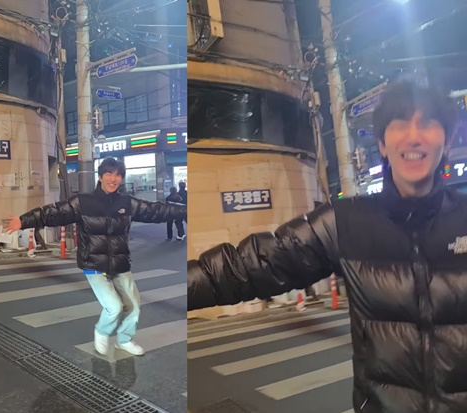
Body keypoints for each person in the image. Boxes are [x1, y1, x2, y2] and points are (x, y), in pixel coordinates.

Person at [187, 79, 466, 412]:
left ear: (447, 142)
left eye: (429, 123)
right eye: (401, 123)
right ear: (382, 144)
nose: (414, 136)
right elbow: (252, 266)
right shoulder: (347, 222)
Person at [5, 157, 186, 357]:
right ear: (100, 177)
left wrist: (186, 210)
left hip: (120, 263)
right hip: (93, 264)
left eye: (118, 175)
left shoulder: (126, 202)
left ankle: (124, 340)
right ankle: (102, 331)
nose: (113, 179)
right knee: (114, 307)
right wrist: (24, 221)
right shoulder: (83, 202)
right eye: (109, 174)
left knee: (133, 306)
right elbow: (54, 212)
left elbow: (157, 211)